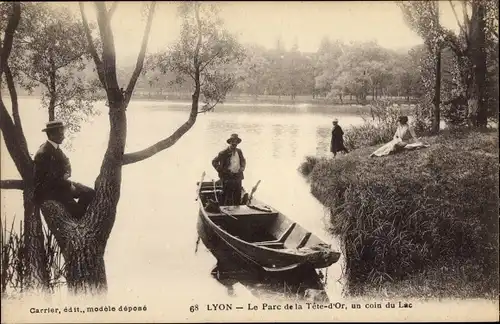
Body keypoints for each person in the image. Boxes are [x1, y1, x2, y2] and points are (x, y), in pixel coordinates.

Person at [33, 121, 96, 220]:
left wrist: (67, 174)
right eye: (61, 134)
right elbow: (48, 180)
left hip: (60, 184)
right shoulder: (44, 152)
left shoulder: (56, 148)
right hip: (50, 191)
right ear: (52, 134)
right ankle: (78, 218)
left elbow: (67, 163)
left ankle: (78, 217)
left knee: (90, 192)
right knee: (78, 213)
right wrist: (69, 186)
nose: (64, 137)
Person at [212, 134, 246, 206]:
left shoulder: (239, 151)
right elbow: (214, 162)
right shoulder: (223, 153)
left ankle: (238, 212)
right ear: (230, 142)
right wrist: (221, 170)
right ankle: (224, 211)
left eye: (236, 142)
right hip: (227, 177)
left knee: (238, 194)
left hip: (238, 176)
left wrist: (242, 167)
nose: (234, 143)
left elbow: (243, 161)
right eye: (232, 142)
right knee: (226, 195)